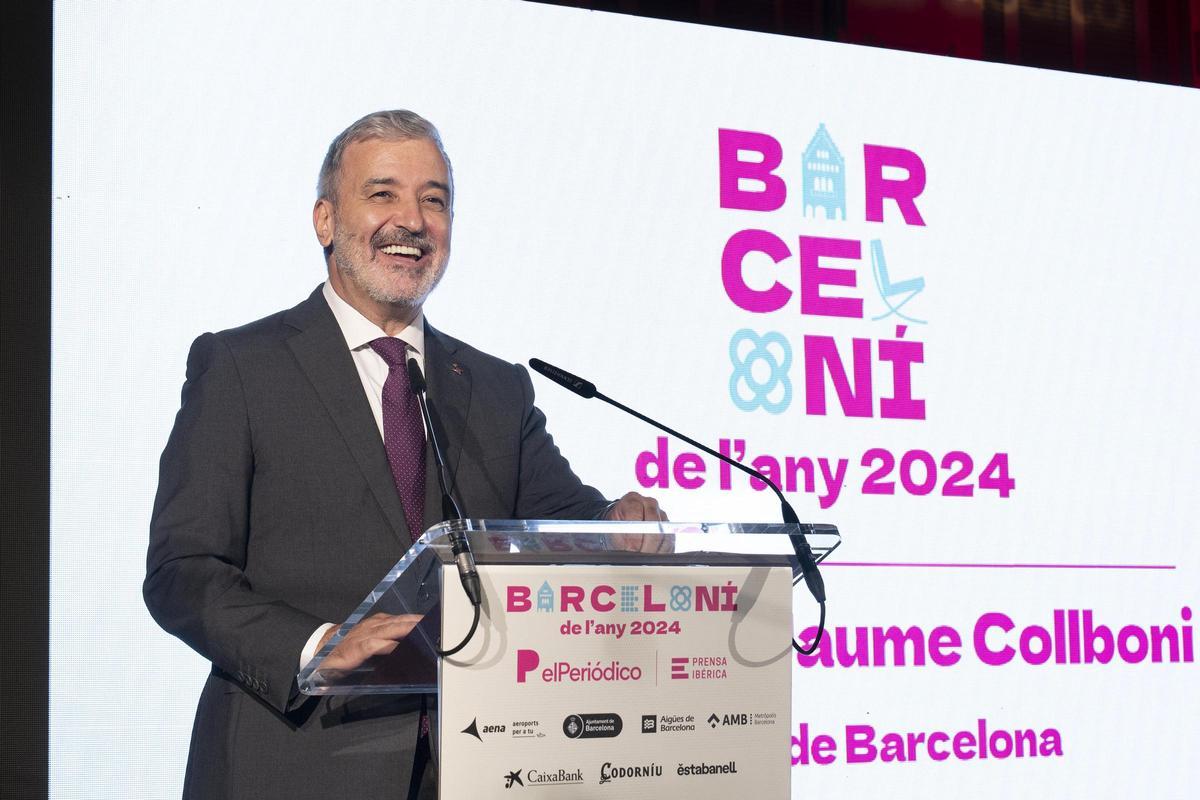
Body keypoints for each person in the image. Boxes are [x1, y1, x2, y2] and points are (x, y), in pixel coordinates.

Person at [144, 110, 666, 800]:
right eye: (383, 194)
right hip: (295, 762)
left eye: (434, 199)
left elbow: (563, 520)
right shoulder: (242, 367)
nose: (412, 220)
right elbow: (183, 572)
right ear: (325, 221)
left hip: (475, 766)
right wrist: (317, 647)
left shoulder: (494, 386)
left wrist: (617, 521)